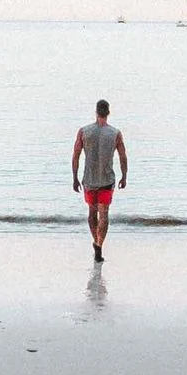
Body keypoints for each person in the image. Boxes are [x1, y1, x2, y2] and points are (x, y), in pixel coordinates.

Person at [72, 99, 128, 263]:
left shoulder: (84, 131)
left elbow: (75, 156)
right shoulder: (115, 133)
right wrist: (124, 176)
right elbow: (123, 157)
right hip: (106, 180)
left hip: (89, 180)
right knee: (104, 215)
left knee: (92, 213)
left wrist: (74, 178)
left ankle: (97, 242)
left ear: (96, 112)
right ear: (108, 112)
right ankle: (99, 243)